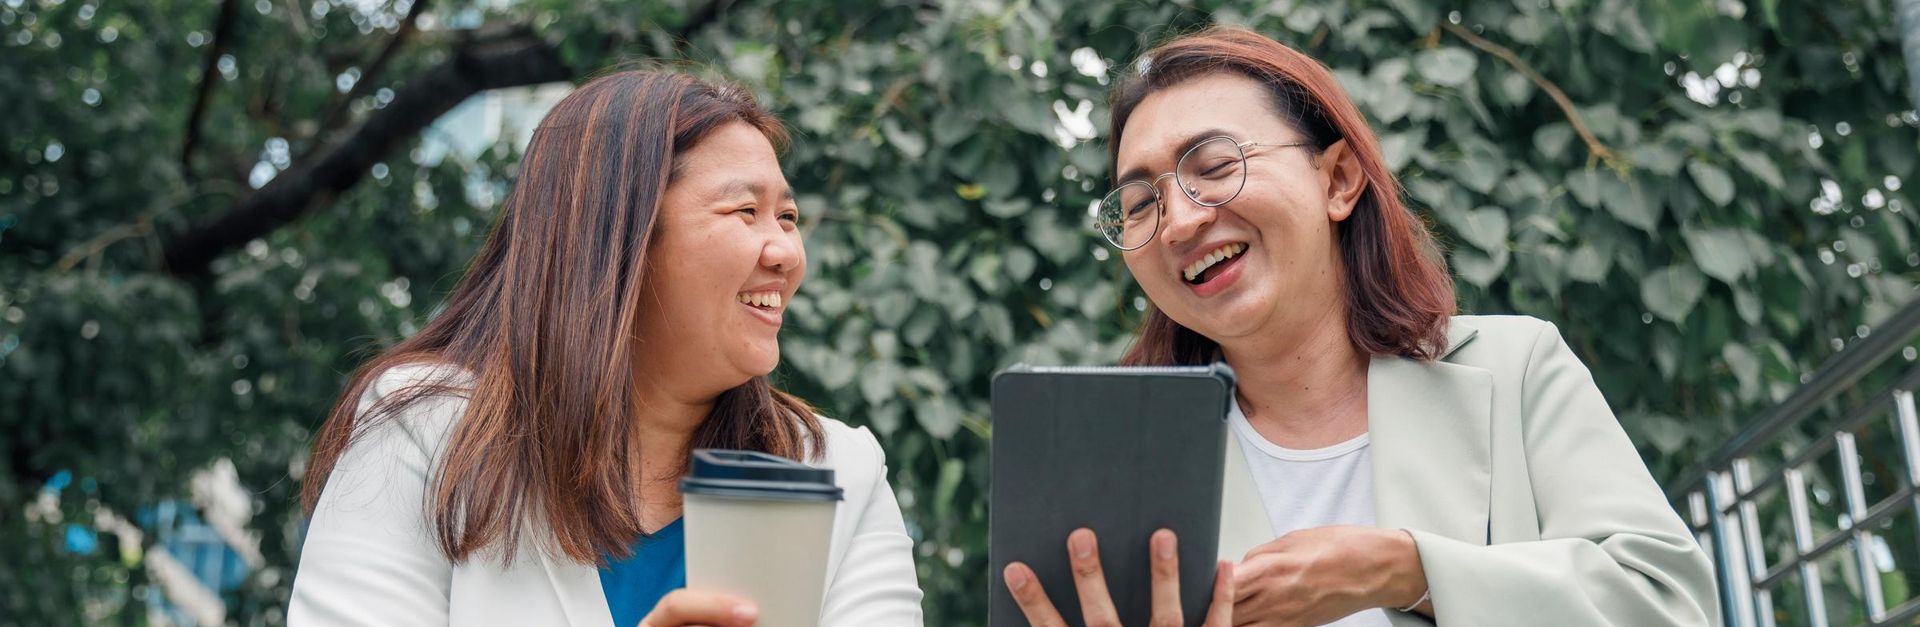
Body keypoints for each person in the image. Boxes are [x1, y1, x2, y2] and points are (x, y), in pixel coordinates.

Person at [1003, 26, 1719, 627]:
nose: (1181, 221)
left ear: (1338, 180)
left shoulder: (1515, 366)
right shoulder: (1118, 469)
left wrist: (1408, 569)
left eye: (1215, 166)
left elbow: (1671, 604)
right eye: (1139, 204)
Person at [288, 69, 924, 627]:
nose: (787, 252)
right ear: (619, 239)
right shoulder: (423, 433)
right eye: (744, 211)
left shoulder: (838, 468)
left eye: (786, 218)